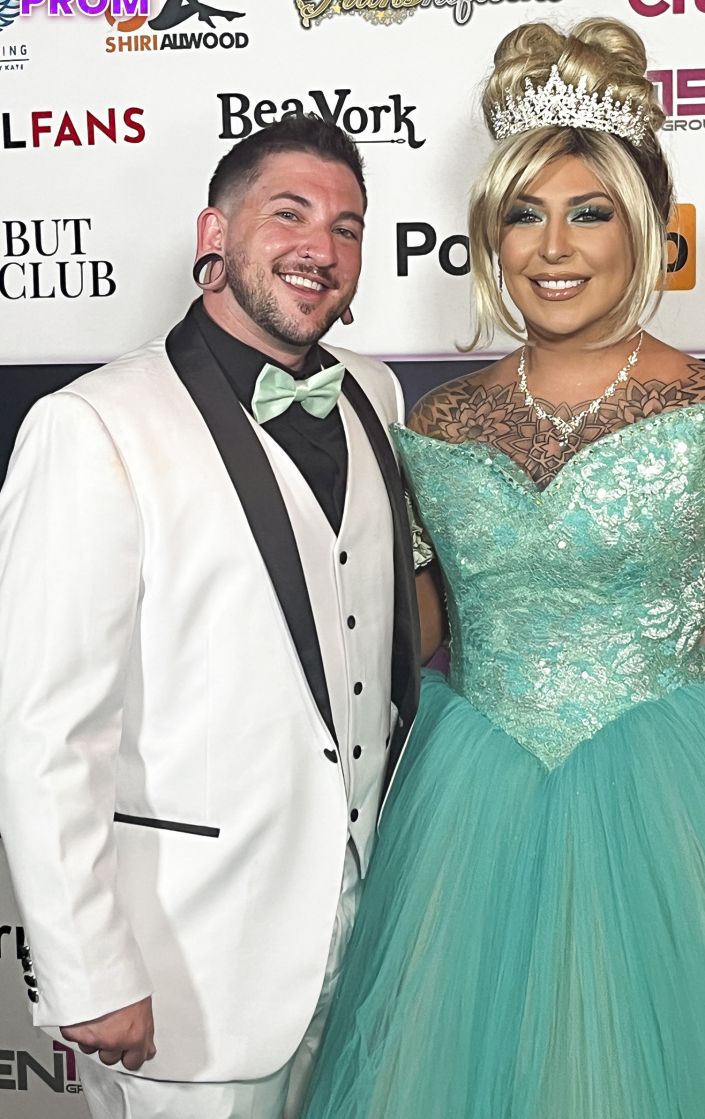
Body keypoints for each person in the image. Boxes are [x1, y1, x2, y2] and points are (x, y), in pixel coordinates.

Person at [299, 19, 705, 1119]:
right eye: (524, 214)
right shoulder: (434, 423)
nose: (553, 248)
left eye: (589, 213)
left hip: (676, 797)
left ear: (645, 229)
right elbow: (406, 634)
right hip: (469, 809)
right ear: (491, 236)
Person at [0, 114, 418, 1119]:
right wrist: (89, 967)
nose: (321, 248)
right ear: (214, 235)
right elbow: (44, 726)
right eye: (290, 215)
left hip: (375, 945)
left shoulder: (376, 395)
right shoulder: (91, 426)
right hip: (192, 963)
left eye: (348, 227)